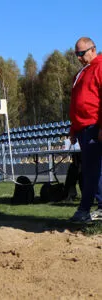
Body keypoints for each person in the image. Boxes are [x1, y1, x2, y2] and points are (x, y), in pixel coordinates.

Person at [69, 37, 102, 222]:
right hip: (82, 127)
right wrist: (73, 128)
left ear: (92, 49)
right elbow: (76, 103)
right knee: (92, 169)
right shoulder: (82, 73)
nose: (79, 57)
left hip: (93, 125)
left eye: (81, 53)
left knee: (92, 169)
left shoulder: (99, 66)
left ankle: (84, 210)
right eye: (76, 54)